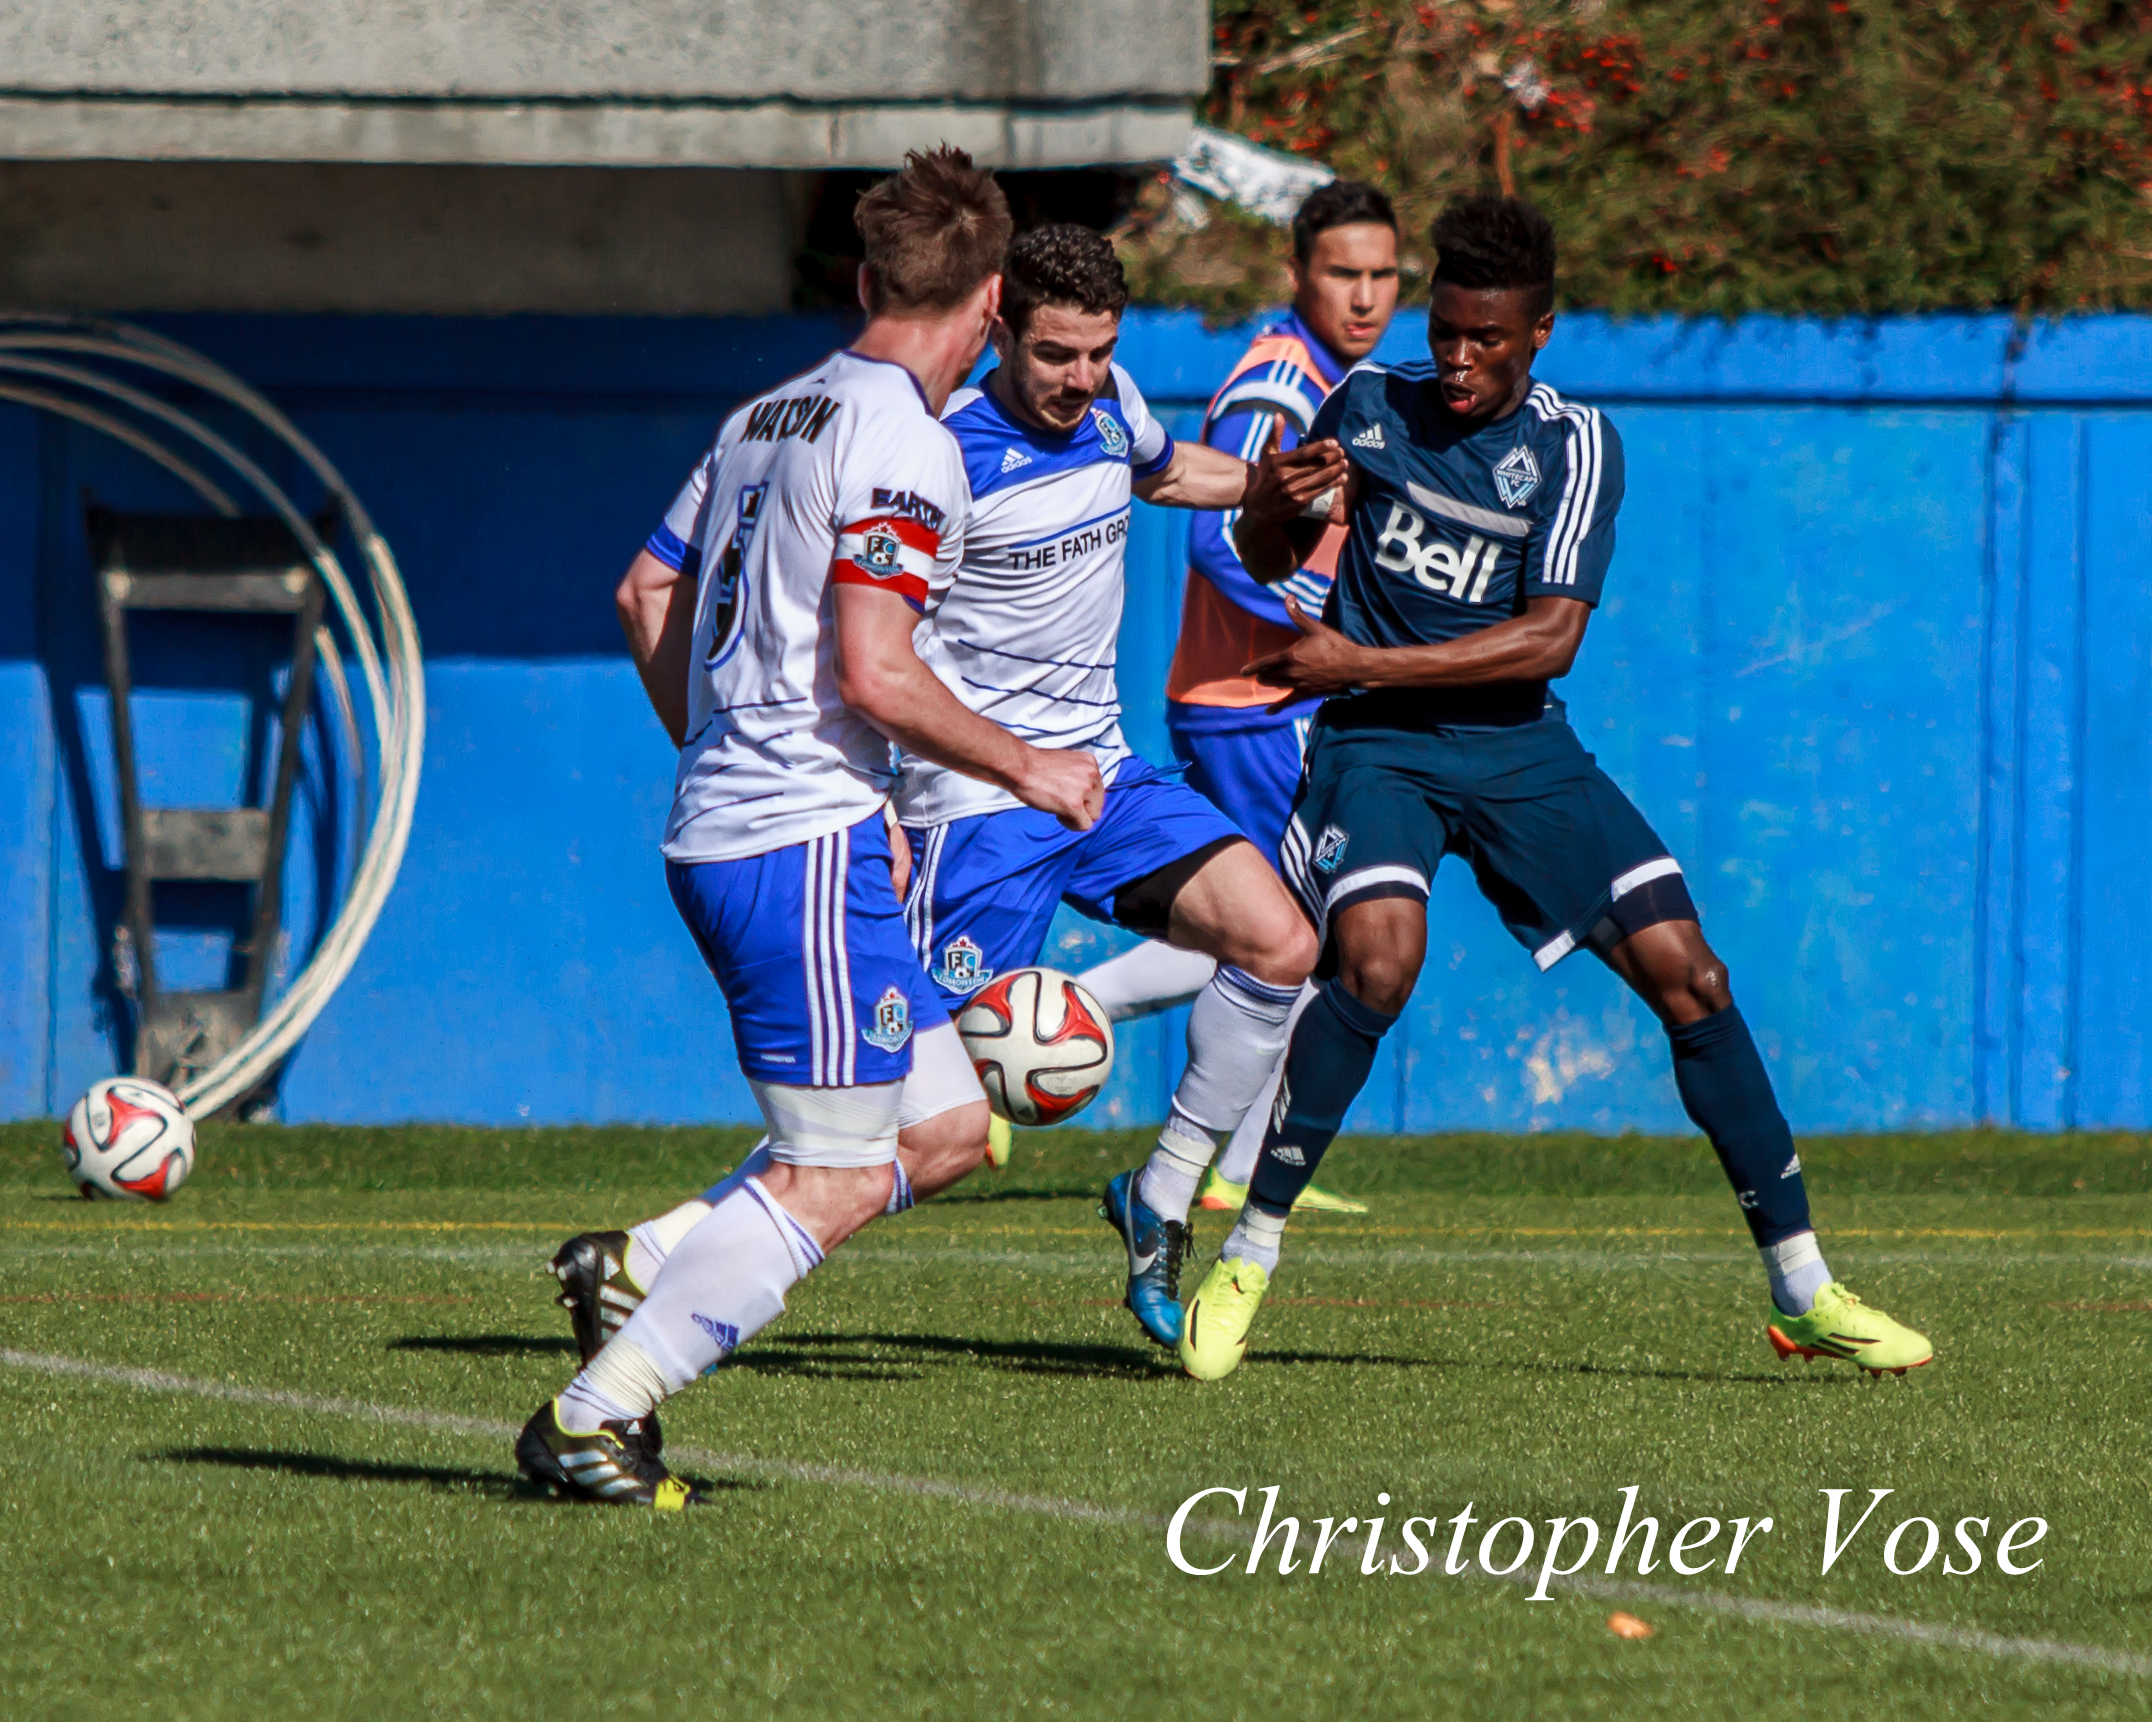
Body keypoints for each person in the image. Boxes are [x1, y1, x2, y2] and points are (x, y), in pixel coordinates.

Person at [539, 222, 1348, 1385]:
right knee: (908, 1123)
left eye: (1097, 353)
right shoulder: (936, 452)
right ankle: (653, 1251)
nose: (1079, 380)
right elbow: (867, 645)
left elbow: (1167, 469)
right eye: (1055, 354)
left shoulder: (1110, 401)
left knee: (1280, 941)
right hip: (969, 805)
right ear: (998, 327)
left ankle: (1159, 1200)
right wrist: (884, 798)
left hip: (1099, 775)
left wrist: (1269, 484)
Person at [1171, 193, 1935, 1385]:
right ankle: (1247, 1255)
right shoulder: (1369, 403)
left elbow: (1545, 642)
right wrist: (1273, 505)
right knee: (1376, 961)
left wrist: (1354, 656)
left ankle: (1805, 1289)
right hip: (1377, 744)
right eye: (1448, 330)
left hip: (1517, 742)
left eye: (1488, 340)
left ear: (1539, 335)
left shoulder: (1576, 447)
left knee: (1694, 977)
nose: (1458, 360)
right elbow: (1270, 556)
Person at [514, 147, 1098, 1505]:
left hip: (760, 826)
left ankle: (650, 1260)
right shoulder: (908, 443)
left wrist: (730, 752)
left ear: (864, 279)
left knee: (947, 1127)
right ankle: (598, 1412)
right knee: (832, 1178)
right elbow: (879, 671)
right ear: (997, 298)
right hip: (799, 846)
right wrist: (1032, 766)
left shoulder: (765, 416)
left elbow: (641, 593)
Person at [1076, 180, 1401, 1218]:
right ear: (1297, 274)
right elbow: (1218, 536)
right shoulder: (1279, 384)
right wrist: (1329, 628)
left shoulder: (1344, 377)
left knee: (1292, 932)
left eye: (1383, 274)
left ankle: (1235, 1165)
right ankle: (1078, 1017)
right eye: (1342, 273)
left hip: (1271, 701)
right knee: (1291, 934)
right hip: (1250, 702)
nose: (1365, 295)